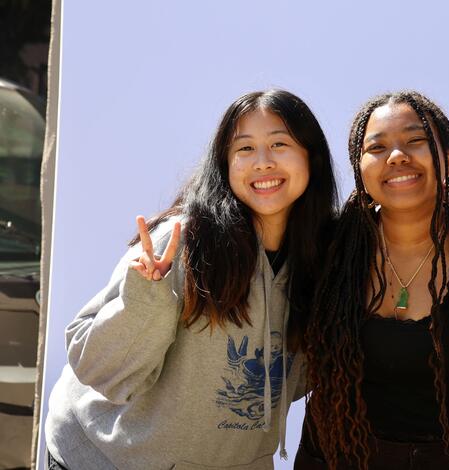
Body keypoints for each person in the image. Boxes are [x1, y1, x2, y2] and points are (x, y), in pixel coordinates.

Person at [44, 89, 337, 469]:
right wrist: (147, 298)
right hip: (103, 457)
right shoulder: (184, 241)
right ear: (225, 164)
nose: (262, 163)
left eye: (279, 144)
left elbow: (297, 379)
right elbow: (99, 370)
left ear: (310, 157)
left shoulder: (324, 256)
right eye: (244, 149)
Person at [295, 91, 449, 469]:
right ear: (359, 168)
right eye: (377, 147)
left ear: (447, 159)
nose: (397, 156)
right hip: (331, 460)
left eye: (415, 141)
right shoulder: (327, 249)